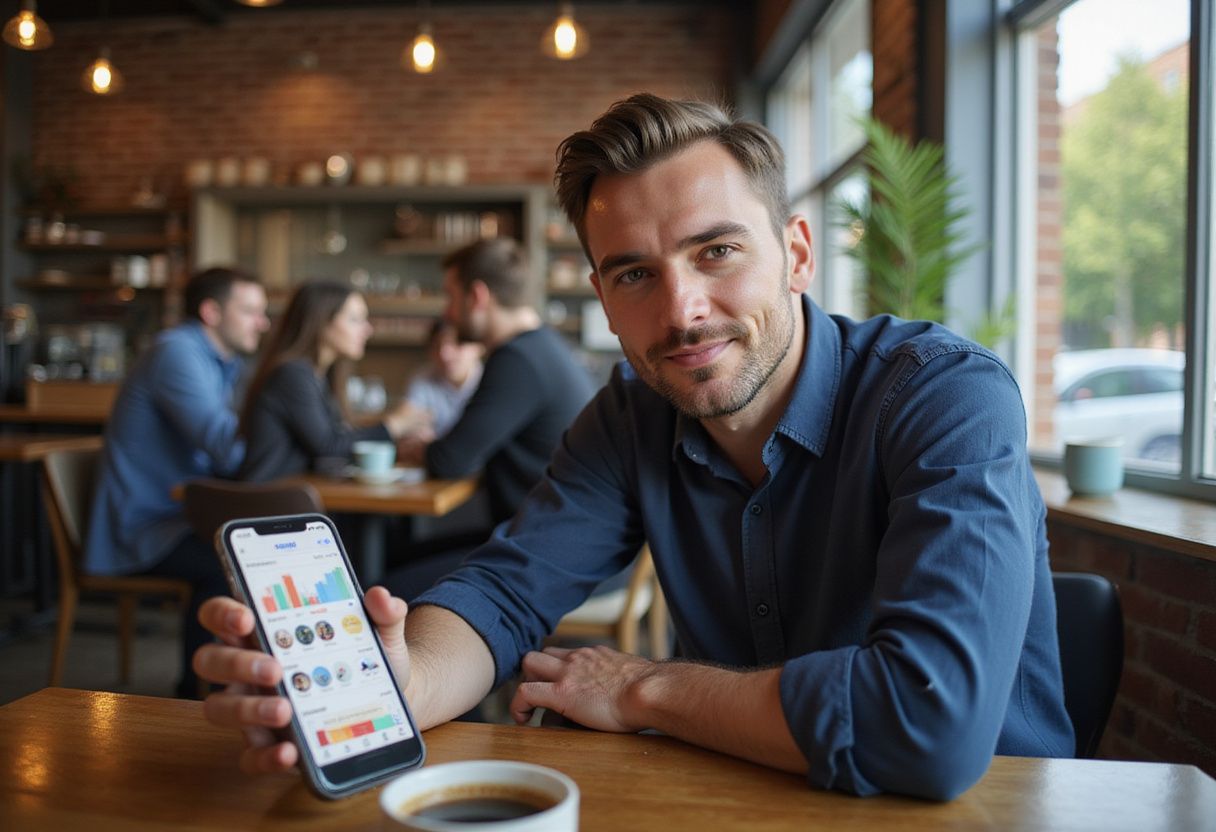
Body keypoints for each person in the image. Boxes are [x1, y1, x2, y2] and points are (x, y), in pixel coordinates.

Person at [194, 94, 1074, 800]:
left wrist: (641, 689)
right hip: (750, 799)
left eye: (717, 251)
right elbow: (508, 590)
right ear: (603, 299)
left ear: (797, 254)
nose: (682, 309)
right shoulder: (629, 413)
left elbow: (928, 728)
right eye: (635, 274)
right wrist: (402, 682)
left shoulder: (945, 395)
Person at [85, 266, 269, 698]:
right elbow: (226, 445)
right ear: (211, 311)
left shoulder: (220, 362)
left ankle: (221, 687)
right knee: (232, 566)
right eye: (250, 311)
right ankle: (195, 695)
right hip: (143, 527)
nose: (262, 322)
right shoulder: (177, 352)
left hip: (179, 517)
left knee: (247, 553)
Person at [397, 237, 598, 527]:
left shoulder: (518, 359)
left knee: (389, 573)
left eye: (451, 296)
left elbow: (450, 461)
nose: (447, 312)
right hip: (559, 537)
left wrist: (418, 447)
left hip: (547, 551)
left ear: (477, 296)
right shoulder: (543, 346)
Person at [237, 281, 417, 482]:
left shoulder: (318, 376)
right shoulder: (292, 375)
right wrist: (395, 425)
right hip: (270, 505)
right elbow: (328, 447)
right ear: (322, 322)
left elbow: (334, 441)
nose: (367, 329)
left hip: (292, 500)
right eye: (355, 319)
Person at [399, 319, 484, 439]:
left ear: (479, 347)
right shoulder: (423, 378)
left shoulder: (492, 380)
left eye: (457, 343)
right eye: (437, 346)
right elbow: (407, 419)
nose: (444, 354)